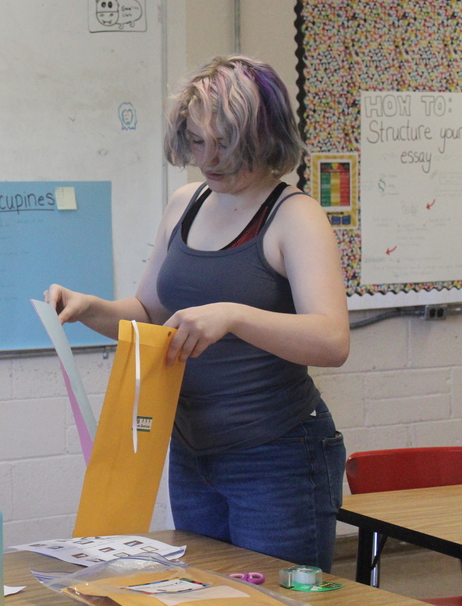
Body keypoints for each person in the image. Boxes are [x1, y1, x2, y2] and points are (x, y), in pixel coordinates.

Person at [45, 55, 350, 571]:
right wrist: (89, 308)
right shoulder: (186, 203)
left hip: (277, 455)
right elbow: (148, 312)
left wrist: (234, 316)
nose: (208, 158)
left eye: (224, 143)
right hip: (191, 451)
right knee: (204, 593)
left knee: (274, 598)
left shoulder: (295, 216)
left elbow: (332, 341)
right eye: (196, 141)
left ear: (262, 136)